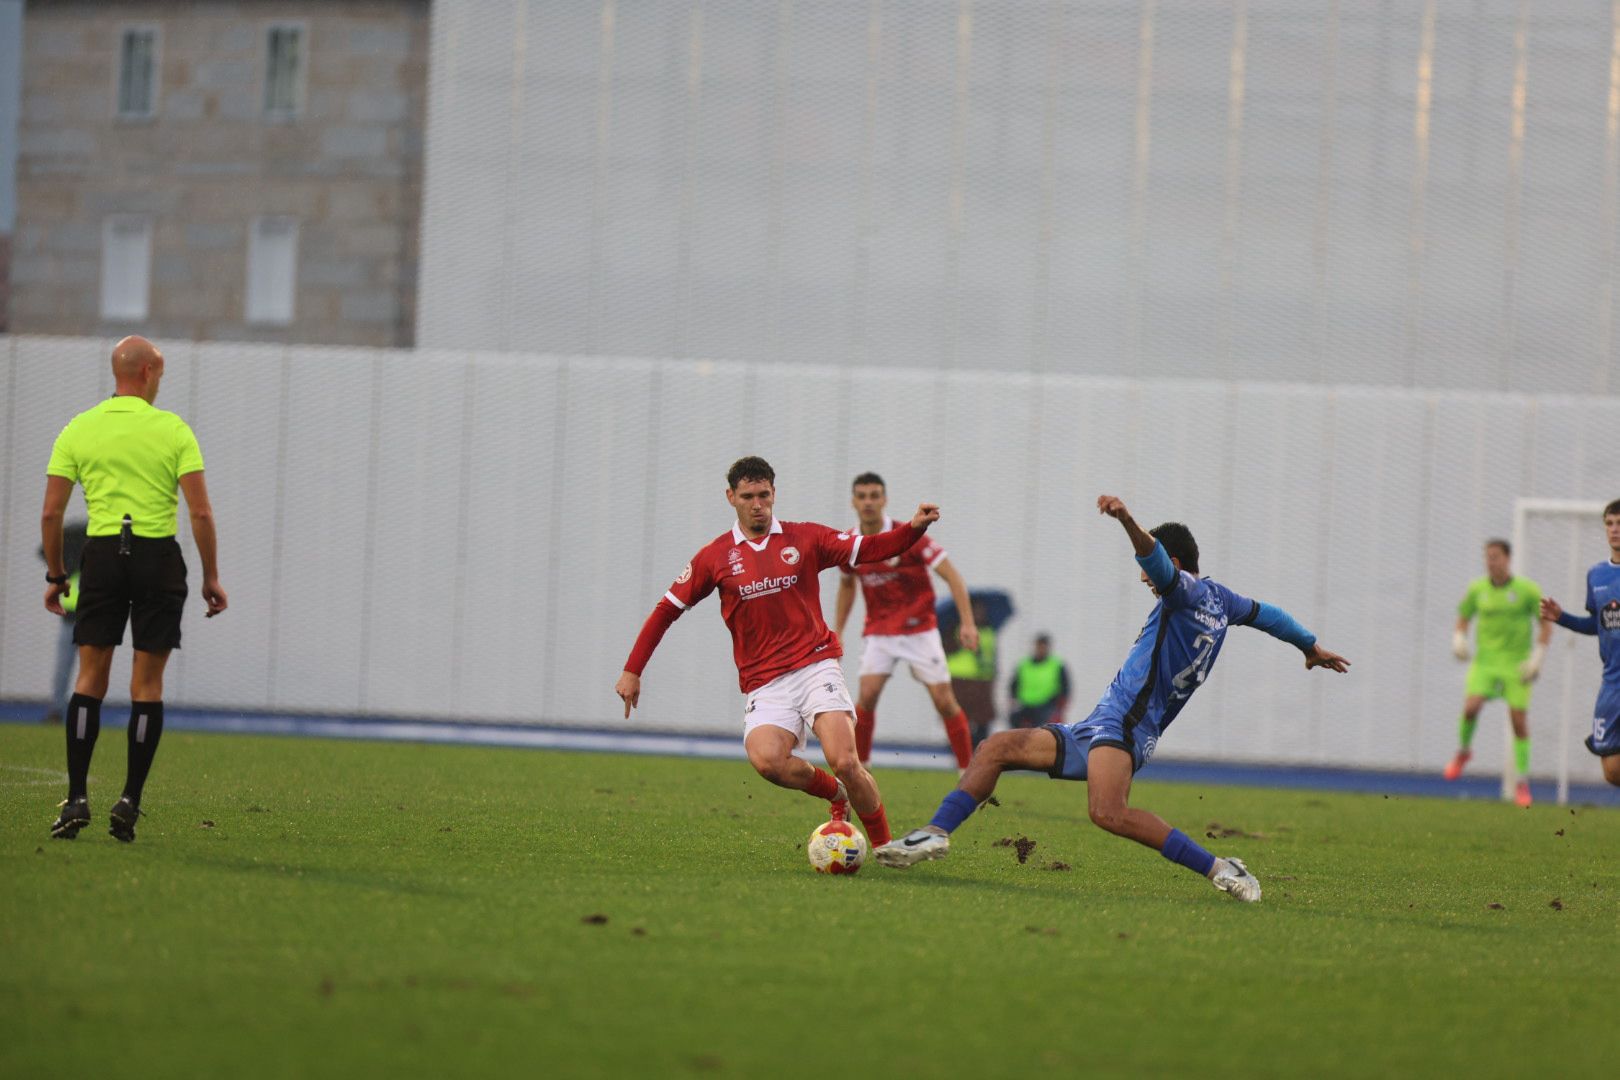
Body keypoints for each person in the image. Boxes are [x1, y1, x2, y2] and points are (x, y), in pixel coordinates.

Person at [873, 494, 1350, 904]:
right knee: (995, 748)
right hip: (1102, 722)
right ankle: (934, 833)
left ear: (1175, 564)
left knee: (1107, 812)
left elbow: (1154, 560)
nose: (1145, 580)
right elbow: (1269, 615)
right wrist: (1308, 645)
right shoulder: (1222, 601)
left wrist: (1126, 520)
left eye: (1152, 572)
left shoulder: (1183, 591)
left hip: (1128, 724)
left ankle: (1221, 868)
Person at [615, 456, 941, 849]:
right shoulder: (715, 557)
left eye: (764, 495)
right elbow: (666, 610)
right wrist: (633, 670)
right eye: (748, 497)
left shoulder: (805, 538)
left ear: (774, 493)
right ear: (731, 497)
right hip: (765, 681)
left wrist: (913, 528)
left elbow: (871, 547)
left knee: (845, 760)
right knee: (768, 762)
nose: (757, 504)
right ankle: (835, 794)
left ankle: (886, 848)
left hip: (815, 665)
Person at [42, 336, 227, 842]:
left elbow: (52, 513)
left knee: (89, 679)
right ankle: (128, 800)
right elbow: (200, 512)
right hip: (157, 558)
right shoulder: (173, 430)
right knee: (147, 686)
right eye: (160, 374)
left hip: (102, 556)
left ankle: (76, 798)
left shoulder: (79, 428)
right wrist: (210, 576)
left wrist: (57, 575)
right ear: (147, 373)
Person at [834, 472, 979, 771]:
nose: (868, 502)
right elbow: (847, 585)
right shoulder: (851, 544)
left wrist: (967, 623)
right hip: (879, 631)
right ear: (853, 502)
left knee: (943, 700)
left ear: (884, 500)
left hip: (919, 629)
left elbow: (953, 577)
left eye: (874, 496)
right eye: (862, 496)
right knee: (867, 695)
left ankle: (968, 772)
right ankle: (861, 770)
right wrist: (838, 630)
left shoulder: (909, 534)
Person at [1443, 539, 1550, 806]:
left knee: (1518, 720)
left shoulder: (1527, 590)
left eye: (1496, 557)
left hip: (1516, 664)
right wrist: (1459, 638)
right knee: (1471, 707)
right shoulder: (1477, 589)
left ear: (1508, 559)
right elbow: (1464, 616)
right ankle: (1463, 752)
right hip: (1486, 663)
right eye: (1488, 557)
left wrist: (1537, 657)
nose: (1491, 562)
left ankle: (1522, 782)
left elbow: (1545, 623)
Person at [1540, 498, 1620, 789]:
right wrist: (1561, 617)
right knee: (1612, 770)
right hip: (1612, 683)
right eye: (1609, 524)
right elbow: (1598, 625)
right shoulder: (1597, 575)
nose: (1614, 530)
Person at [38, 519, 89, 723]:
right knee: (72, 667)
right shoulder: (77, 547)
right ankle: (60, 709)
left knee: (73, 667)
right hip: (76, 616)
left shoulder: (75, 544)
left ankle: (71, 710)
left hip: (84, 616)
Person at [946, 600, 998, 746]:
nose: (979, 614)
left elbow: (991, 655)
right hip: (961, 679)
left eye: (981, 611)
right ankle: (959, 746)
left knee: (983, 718)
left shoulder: (988, 632)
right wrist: (961, 642)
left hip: (983, 680)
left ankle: (980, 746)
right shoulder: (956, 629)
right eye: (975, 611)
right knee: (961, 716)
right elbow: (948, 650)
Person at [1008, 633, 1069, 729]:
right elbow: (1014, 684)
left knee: (1044, 725)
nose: (1040, 649)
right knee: (1014, 719)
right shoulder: (1024, 664)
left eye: (1043, 646)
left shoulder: (1056, 665)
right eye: (1038, 646)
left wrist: (1060, 705)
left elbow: (1065, 687)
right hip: (1026, 705)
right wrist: (1013, 699)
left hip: (1047, 704)